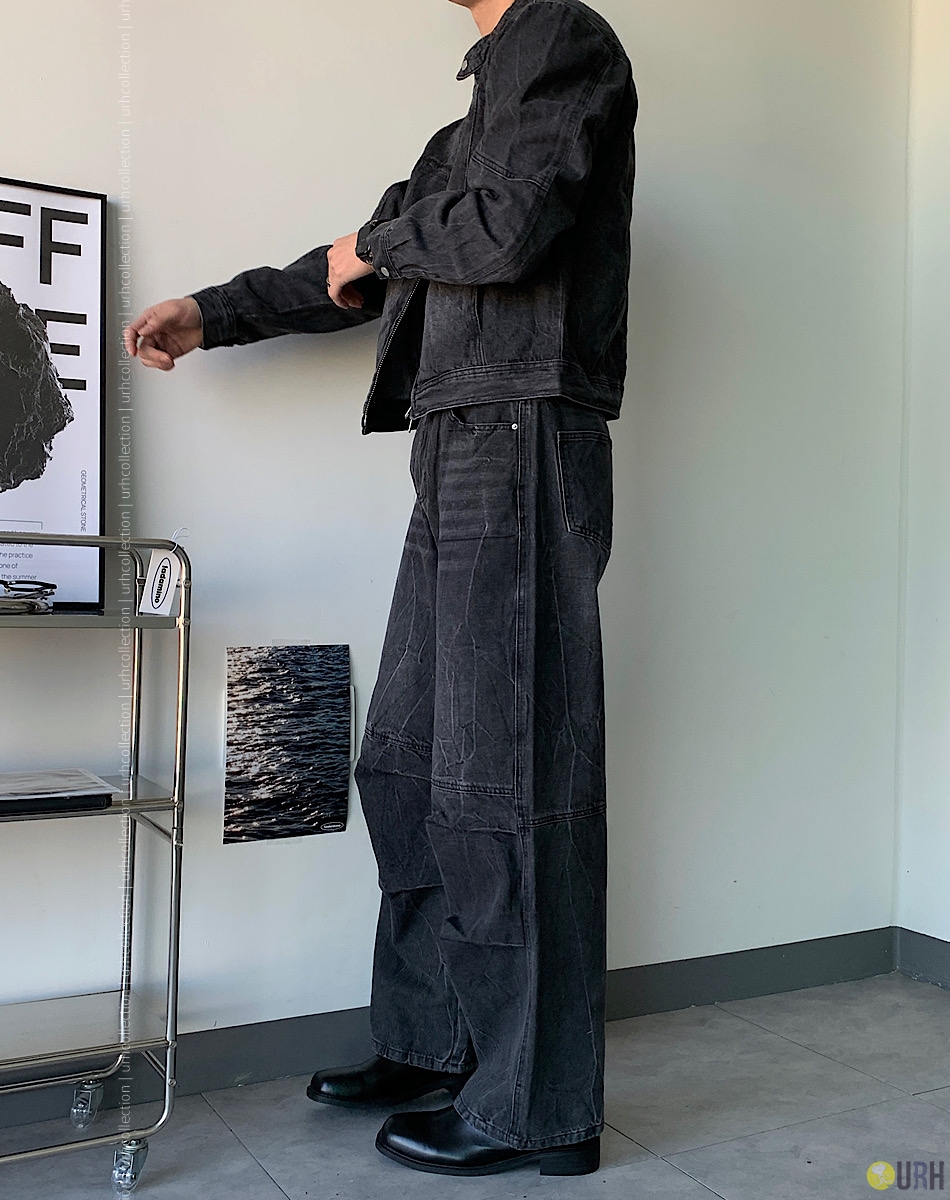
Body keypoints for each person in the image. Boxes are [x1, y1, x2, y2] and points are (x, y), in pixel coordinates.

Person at [125, 0, 637, 1177]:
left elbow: (502, 232)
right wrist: (214, 313)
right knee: (405, 767)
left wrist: (378, 246)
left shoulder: (560, 38)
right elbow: (357, 261)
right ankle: (434, 1041)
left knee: (506, 778)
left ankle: (538, 1108)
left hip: (522, 431)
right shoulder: (467, 125)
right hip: (457, 441)